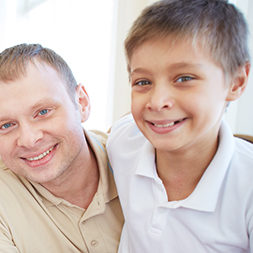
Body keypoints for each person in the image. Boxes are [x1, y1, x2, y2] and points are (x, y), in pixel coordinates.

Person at [108, 0, 252, 251]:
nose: (157, 101)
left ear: (236, 82)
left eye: (184, 78)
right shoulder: (123, 143)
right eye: (143, 82)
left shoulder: (247, 187)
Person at [0, 43, 124, 252]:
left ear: (81, 103)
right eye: (6, 126)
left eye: (43, 112)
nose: (28, 139)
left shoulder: (140, 158)